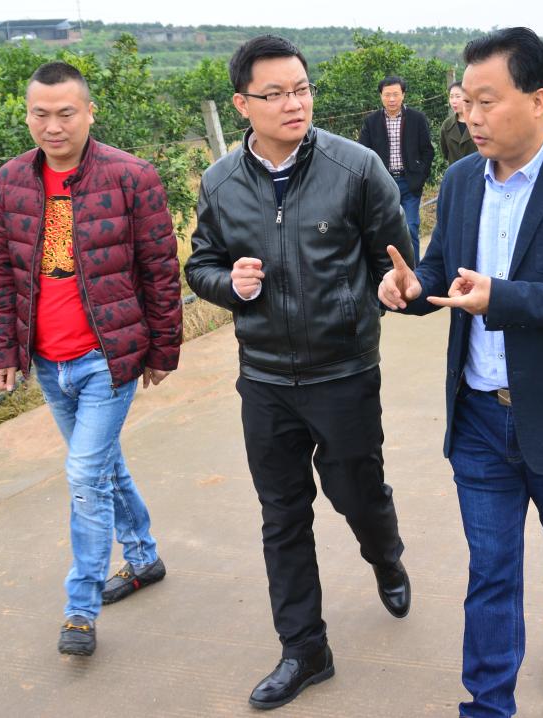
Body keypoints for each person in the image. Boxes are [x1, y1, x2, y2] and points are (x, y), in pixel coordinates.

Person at [378, 27, 543, 717]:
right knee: (491, 571)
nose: (471, 115)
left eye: (486, 101)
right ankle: (487, 705)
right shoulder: (463, 179)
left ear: (537, 98)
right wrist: (411, 288)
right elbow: (442, 270)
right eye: (466, 101)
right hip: (479, 420)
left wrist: (505, 298)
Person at [185, 35, 414, 710]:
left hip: (342, 371)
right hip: (263, 379)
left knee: (356, 494)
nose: (294, 103)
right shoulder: (220, 182)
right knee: (282, 515)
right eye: (276, 94)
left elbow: (398, 262)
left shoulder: (356, 168)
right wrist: (229, 284)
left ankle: (385, 555)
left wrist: (395, 290)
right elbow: (200, 264)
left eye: (302, 89)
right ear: (242, 105)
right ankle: (304, 649)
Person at [0, 62, 183, 657]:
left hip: (108, 356)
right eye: (40, 114)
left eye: (66, 113)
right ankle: (143, 558)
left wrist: (163, 348)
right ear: (28, 116)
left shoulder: (132, 176)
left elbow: (160, 269)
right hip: (48, 361)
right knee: (100, 468)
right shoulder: (12, 179)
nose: (53, 126)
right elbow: (3, 271)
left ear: (90, 113)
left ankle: (80, 607)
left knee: (82, 477)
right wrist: (5, 348)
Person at [359, 75, 434, 261]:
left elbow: (427, 150)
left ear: (403, 95)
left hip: (409, 183)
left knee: (411, 226)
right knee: (384, 230)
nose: (391, 99)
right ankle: (389, 270)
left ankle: (414, 271)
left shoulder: (417, 118)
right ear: (381, 96)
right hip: (383, 184)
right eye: (387, 95)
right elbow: (363, 152)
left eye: (395, 94)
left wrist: (420, 176)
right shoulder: (371, 122)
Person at [440, 81, 478, 166]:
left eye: (458, 96)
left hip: (478, 171)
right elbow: (445, 153)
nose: (454, 101)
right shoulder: (447, 125)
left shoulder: (478, 121)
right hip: (456, 172)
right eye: (451, 97)